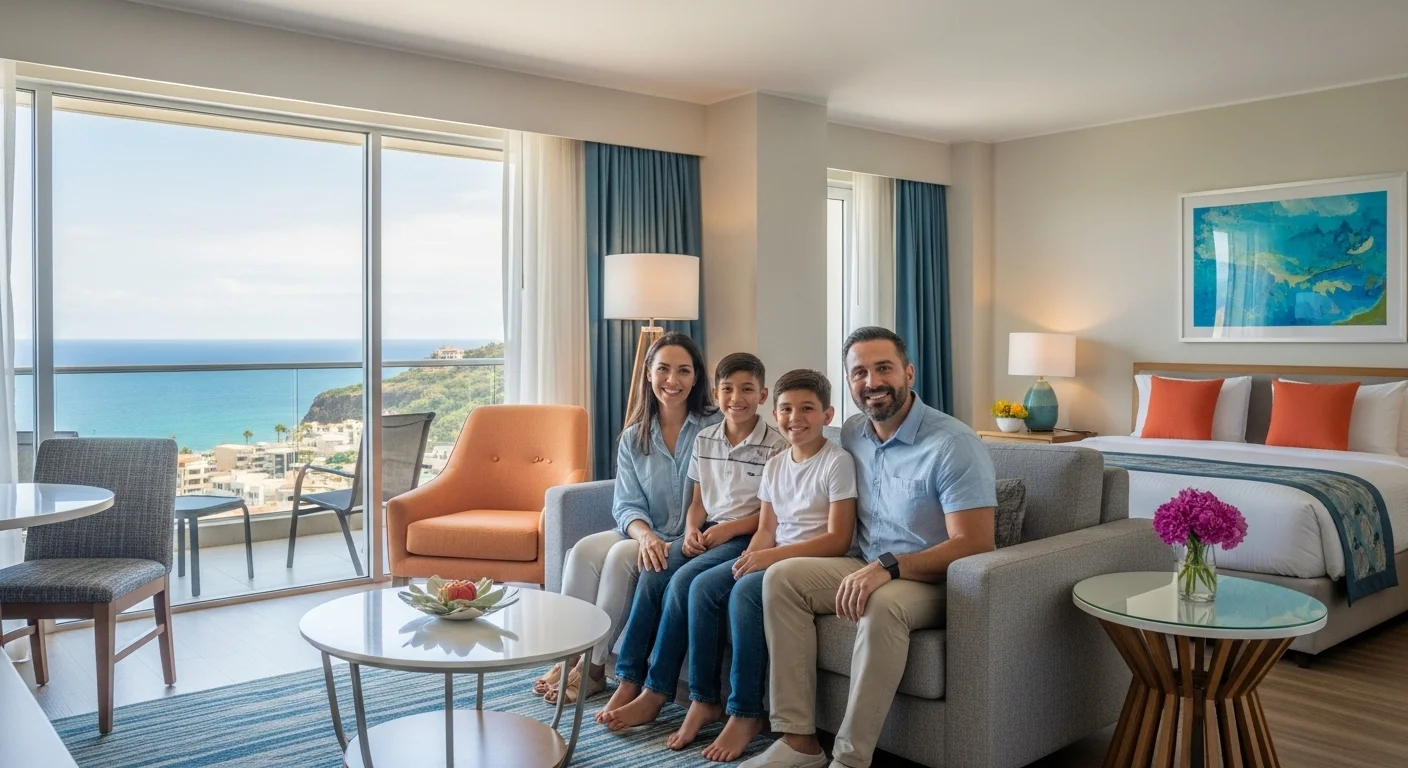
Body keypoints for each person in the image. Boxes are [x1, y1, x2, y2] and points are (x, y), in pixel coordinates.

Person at [741, 327, 998, 768]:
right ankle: (799, 741)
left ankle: (849, 759)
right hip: (864, 562)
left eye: (884, 368)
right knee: (782, 579)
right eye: (859, 372)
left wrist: (890, 567)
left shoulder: (953, 445)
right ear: (849, 382)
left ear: (909, 373)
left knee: (883, 605)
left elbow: (975, 543)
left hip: (936, 578)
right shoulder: (854, 432)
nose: (872, 382)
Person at [600, 352, 788, 727]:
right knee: (655, 569)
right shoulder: (705, 439)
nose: (737, 398)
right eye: (728, 389)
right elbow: (698, 503)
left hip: (745, 536)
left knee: (685, 582)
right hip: (707, 531)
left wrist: (728, 530)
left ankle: (660, 691)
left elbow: (774, 515)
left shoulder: (776, 447)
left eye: (747, 389)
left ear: (763, 395)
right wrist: (690, 530)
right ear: (716, 394)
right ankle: (629, 677)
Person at [538, 332, 720, 705]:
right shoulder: (634, 437)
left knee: (622, 556)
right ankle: (568, 656)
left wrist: (655, 539)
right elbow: (625, 505)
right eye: (663, 369)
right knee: (583, 551)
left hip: (689, 535)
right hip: (644, 531)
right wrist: (646, 535)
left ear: (696, 378)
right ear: (648, 374)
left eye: (683, 371)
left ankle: (594, 669)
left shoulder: (714, 428)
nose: (672, 380)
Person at [687, 369, 858, 762]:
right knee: (704, 587)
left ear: (827, 415)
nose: (795, 418)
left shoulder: (837, 462)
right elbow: (767, 529)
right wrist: (750, 558)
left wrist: (768, 558)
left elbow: (839, 539)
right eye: (786, 409)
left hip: (816, 562)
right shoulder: (776, 463)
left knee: (746, 593)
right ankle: (702, 698)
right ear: (775, 413)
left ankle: (745, 712)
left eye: (807, 409)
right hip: (776, 557)